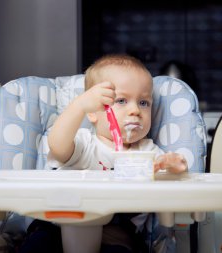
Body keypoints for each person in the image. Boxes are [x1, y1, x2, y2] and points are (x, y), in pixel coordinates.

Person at [45, 54, 188, 252]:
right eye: (121, 101)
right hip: (65, 228)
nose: (135, 110)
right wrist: (79, 105)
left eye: (144, 103)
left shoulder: (146, 151)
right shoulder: (85, 144)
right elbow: (57, 146)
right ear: (93, 112)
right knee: (40, 241)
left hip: (117, 237)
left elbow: (170, 181)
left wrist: (173, 166)